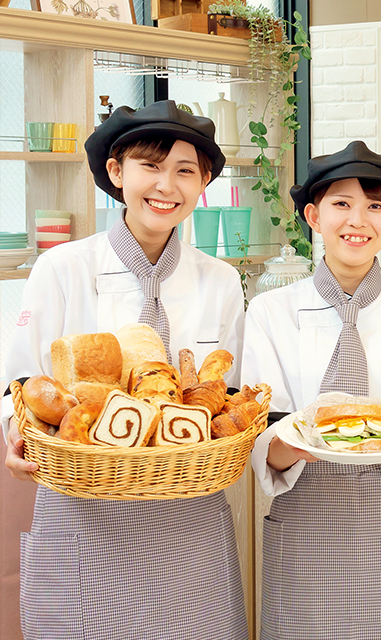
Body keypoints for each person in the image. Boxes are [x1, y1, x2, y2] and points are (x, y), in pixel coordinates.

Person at [3, 100, 246, 639]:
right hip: (84, 501)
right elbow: (19, 383)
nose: (167, 185)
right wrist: (16, 433)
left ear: (203, 182)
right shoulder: (62, 267)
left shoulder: (221, 281)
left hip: (187, 505)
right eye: (150, 167)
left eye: (186, 171)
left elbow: (224, 394)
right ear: (116, 172)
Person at [241, 141, 381, 640]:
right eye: (341, 204)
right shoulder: (270, 313)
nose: (358, 220)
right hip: (307, 520)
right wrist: (306, 441)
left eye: (376, 206)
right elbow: (264, 438)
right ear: (313, 216)